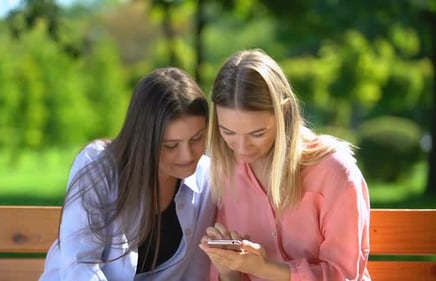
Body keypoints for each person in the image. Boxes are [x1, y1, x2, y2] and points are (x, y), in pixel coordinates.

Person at [199, 49, 370, 281]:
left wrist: (263, 268)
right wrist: (228, 269)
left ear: (284, 112)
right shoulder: (227, 172)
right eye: (227, 131)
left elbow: (343, 275)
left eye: (257, 133)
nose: (242, 147)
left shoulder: (333, 172)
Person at [39, 67, 216, 281]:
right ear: (144, 141)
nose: (188, 155)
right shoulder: (97, 166)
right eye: (171, 145)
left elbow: (196, 271)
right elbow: (81, 265)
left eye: (196, 139)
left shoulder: (206, 178)